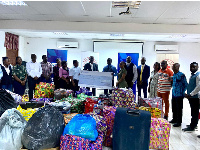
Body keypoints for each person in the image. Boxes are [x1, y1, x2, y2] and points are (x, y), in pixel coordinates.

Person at [183, 62, 200, 132]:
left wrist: (191, 94)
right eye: (191, 67)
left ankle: (192, 126)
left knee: (195, 112)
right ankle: (194, 124)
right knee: (193, 112)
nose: (192, 68)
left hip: (195, 97)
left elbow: (198, 87)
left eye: (194, 67)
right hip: (192, 97)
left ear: (197, 67)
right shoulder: (193, 75)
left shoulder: (198, 75)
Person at [170, 63, 188, 127]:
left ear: (178, 67)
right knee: (174, 107)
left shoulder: (181, 75)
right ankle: (174, 119)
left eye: (175, 67)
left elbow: (185, 84)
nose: (174, 68)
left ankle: (179, 122)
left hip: (179, 94)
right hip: (174, 94)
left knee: (179, 108)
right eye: (173, 67)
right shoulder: (174, 75)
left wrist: (183, 92)